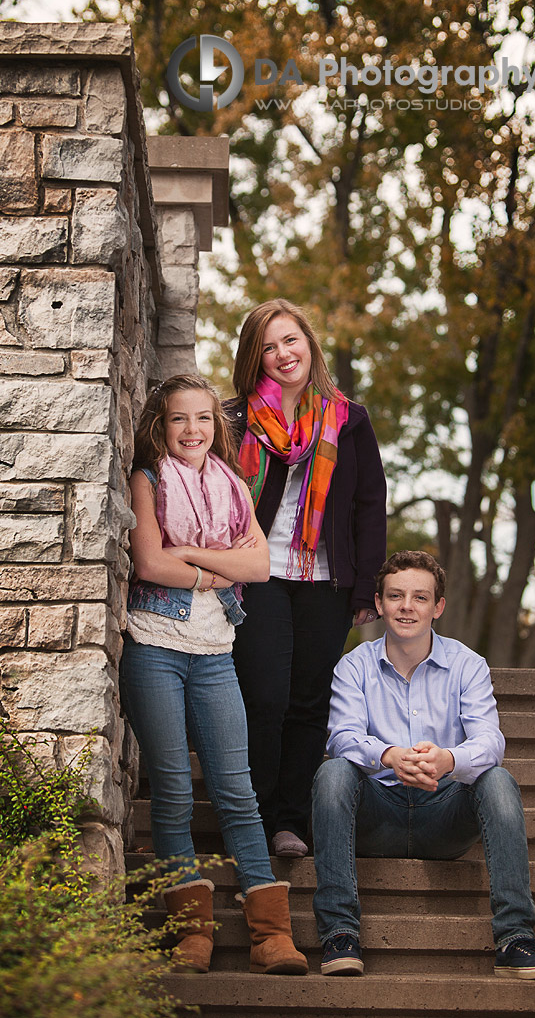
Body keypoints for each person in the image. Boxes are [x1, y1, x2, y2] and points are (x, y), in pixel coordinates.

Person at [119, 374, 308, 976]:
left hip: (215, 651)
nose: (193, 430)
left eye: (203, 418)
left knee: (238, 789)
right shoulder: (146, 479)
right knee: (173, 791)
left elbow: (258, 562)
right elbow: (148, 560)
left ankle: (271, 933)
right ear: (161, 426)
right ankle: (190, 933)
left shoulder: (232, 486)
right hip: (154, 647)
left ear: (216, 427)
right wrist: (211, 575)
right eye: (179, 419)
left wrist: (193, 556)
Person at [311, 549, 535, 980]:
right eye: (396, 596)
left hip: (444, 818)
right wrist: (387, 755)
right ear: (379, 603)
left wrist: (448, 760)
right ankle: (339, 934)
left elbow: (489, 742)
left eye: (420, 597)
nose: (407, 607)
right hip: (377, 814)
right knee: (332, 772)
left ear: (437, 606)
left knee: (498, 779)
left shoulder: (468, 665)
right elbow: (341, 737)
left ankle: (515, 938)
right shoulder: (353, 667)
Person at [227, 299, 387, 858]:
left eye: (290, 340)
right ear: (255, 357)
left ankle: (290, 820)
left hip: (327, 579)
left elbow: (369, 506)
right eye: (269, 347)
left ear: (309, 344)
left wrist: (366, 587)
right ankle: (251, 813)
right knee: (265, 695)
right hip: (257, 572)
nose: (282, 354)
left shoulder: (349, 419)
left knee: (308, 700)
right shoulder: (234, 419)